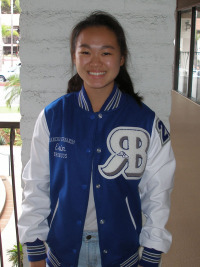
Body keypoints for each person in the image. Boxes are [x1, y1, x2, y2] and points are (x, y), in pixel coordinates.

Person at [18, 11, 176, 267]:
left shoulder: (146, 121)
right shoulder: (52, 116)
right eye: (85, 51)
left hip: (122, 253)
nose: (95, 62)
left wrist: (152, 253)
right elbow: (36, 184)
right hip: (62, 253)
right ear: (74, 57)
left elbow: (158, 192)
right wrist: (35, 249)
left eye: (106, 52)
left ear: (121, 58)